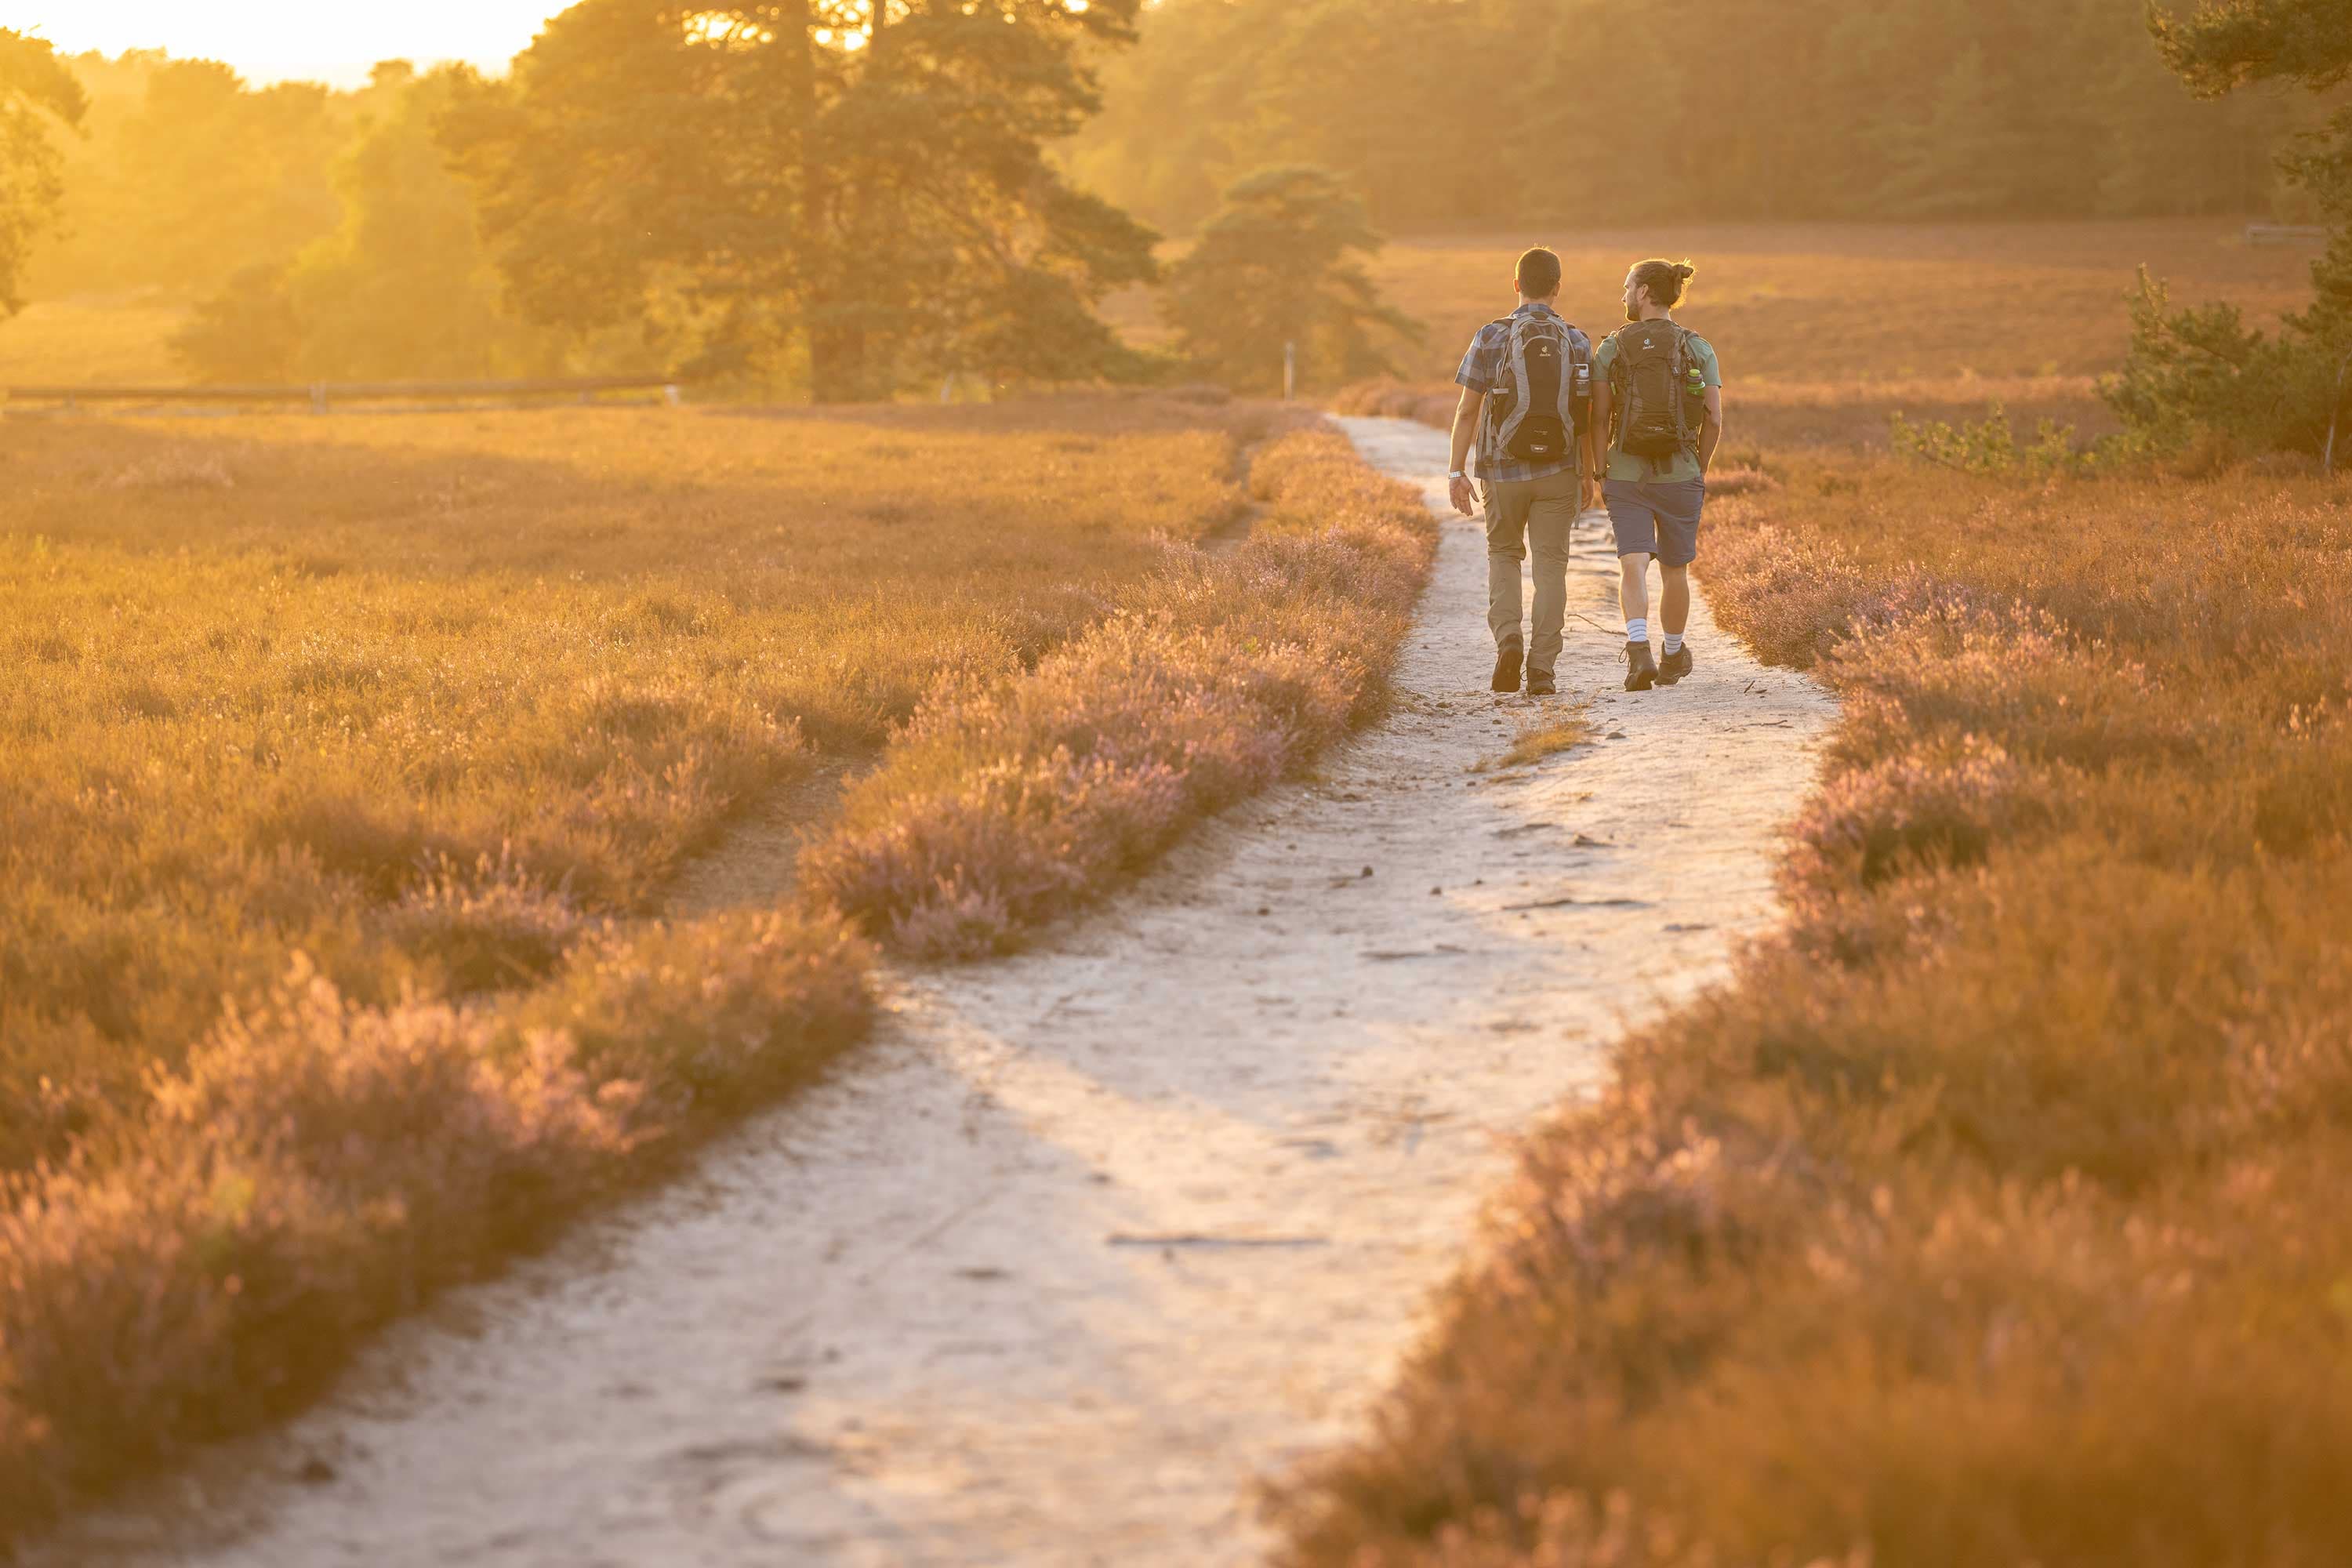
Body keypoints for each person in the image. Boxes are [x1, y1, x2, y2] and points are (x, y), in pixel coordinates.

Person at [1445, 246, 1598, 697]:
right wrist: (1587, 473)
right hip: (1559, 471)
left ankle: (1509, 640)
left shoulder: (1490, 337)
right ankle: (1543, 668)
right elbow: (1586, 415)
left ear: (1516, 285)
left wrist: (1456, 471)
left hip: (1501, 469)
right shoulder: (1577, 341)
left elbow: (1467, 410)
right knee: (1551, 566)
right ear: (1557, 288)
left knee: (1504, 555)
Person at [1588, 258, 1723, 691]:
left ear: (1645, 292)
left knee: (1632, 565)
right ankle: (1671, 653)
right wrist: (1697, 468)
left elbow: (1598, 416)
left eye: (1628, 286)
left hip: (1626, 473)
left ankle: (1638, 649)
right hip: (1680, 473)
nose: (1624, 293)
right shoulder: (1697, 347)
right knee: (1675, 571)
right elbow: (1714, 418)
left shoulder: (1612, 347)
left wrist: (1600, 469)